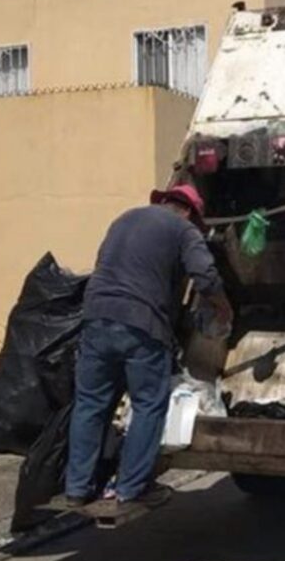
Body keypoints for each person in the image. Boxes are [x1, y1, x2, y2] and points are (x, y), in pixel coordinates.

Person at [65, 184, 232, 508]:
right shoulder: (183, 230)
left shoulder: (123, 219)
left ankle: (77, 488)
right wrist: (223, 306)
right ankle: (130, 488)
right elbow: (205, 275)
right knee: (148, 405)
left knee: (90, 404)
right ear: (189, 212)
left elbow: (106, 262)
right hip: (141, 324)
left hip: (95, 318)